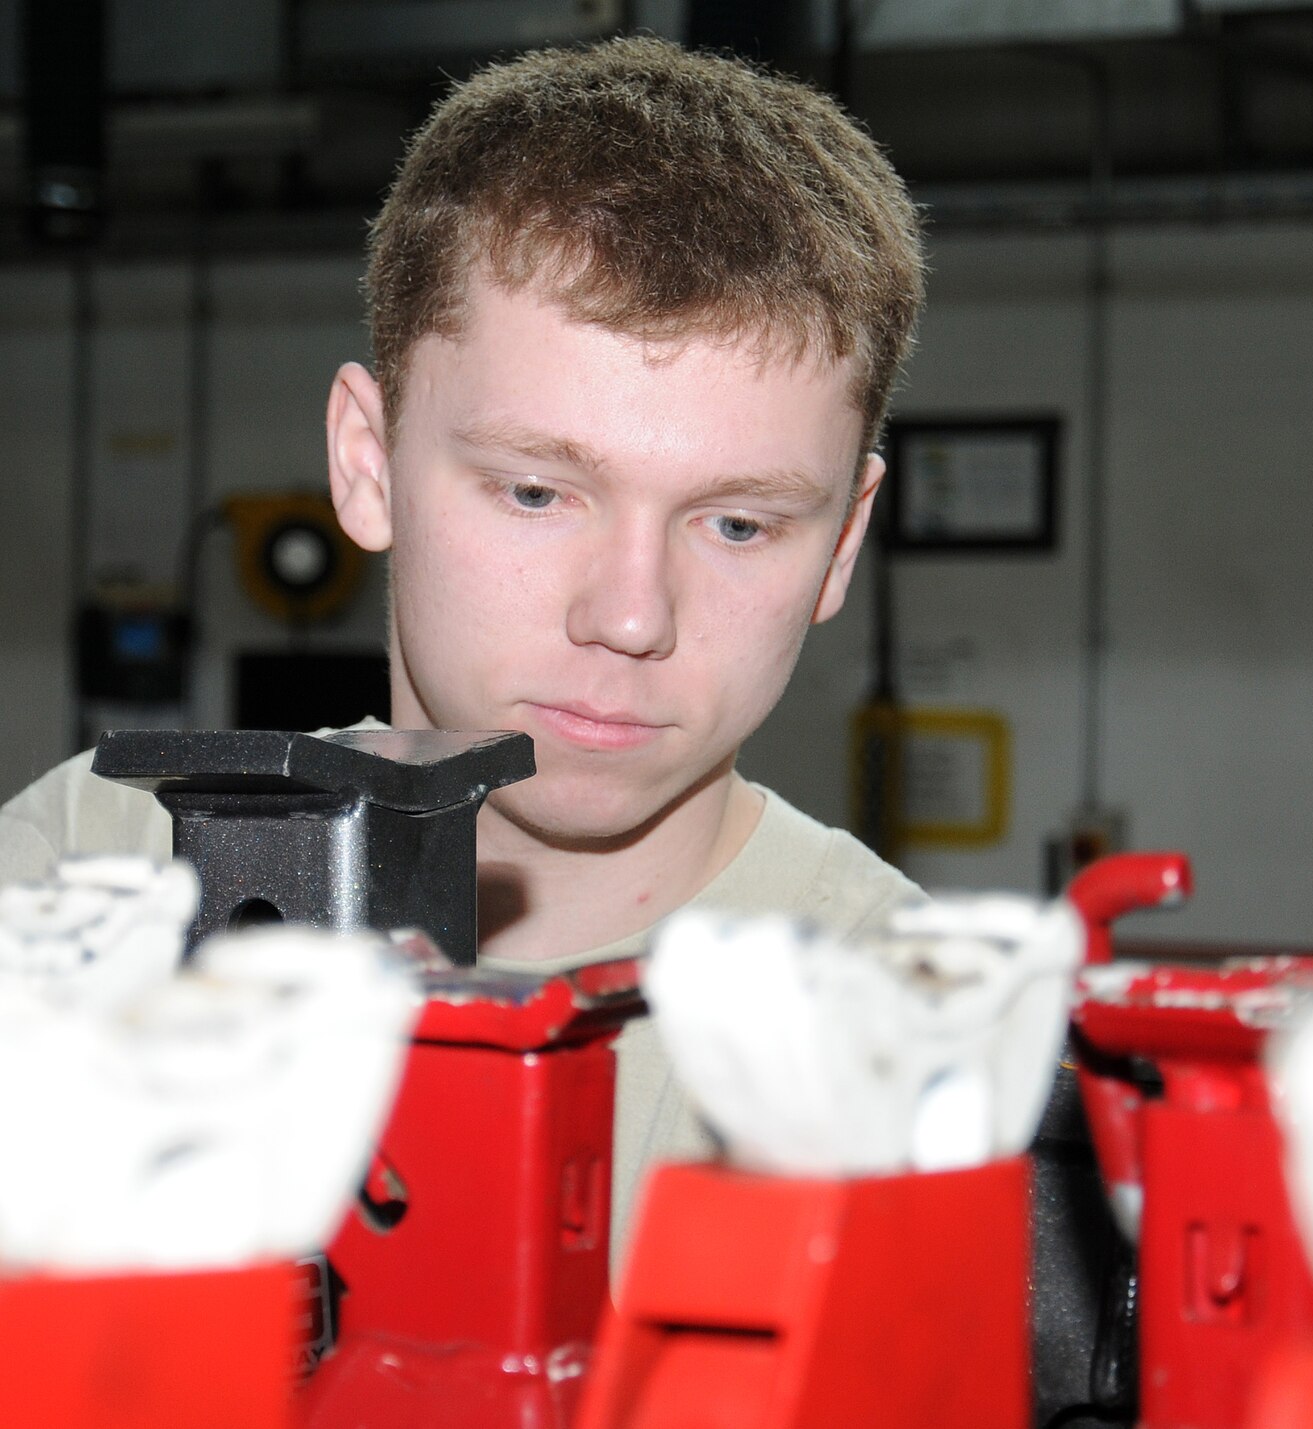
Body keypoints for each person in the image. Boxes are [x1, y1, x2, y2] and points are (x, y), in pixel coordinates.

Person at [0, 35, 928, 1256]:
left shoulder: (923, 1036)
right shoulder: (84, 885)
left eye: (738, 522)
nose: (631, 615)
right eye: (537, 493)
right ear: (367, 464)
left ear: (844, 542)